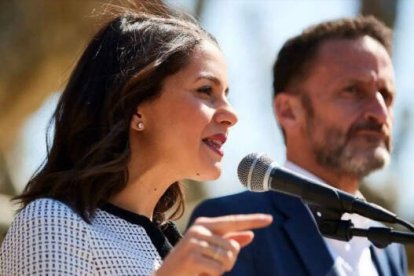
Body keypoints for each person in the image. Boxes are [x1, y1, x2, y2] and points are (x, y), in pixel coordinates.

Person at [0, 5, 273, 276]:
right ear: (134, 105)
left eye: (226, 93)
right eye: (205, 90)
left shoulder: (172, 246)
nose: (231, 114)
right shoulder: (51, 223)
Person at [189, 16, 408, 275]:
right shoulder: (233, 227)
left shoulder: (389, 247)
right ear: (289, 111)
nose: (380, 113)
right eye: (353, 91)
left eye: (386, 94)